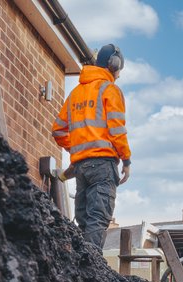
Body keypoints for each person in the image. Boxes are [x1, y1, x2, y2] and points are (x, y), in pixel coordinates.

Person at [52, 44, 131, 250]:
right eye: (119, 67)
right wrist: (126, 159)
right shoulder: (110, 90)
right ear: (114, 64)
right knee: (98, 218)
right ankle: (91, 269)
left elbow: (58, 131)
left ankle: (79, 267)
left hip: (80, 167)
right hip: (103, 165)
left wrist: (78, 148)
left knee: (84, 220)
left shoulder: (76, 93)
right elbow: (117, 130)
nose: (120, 73)